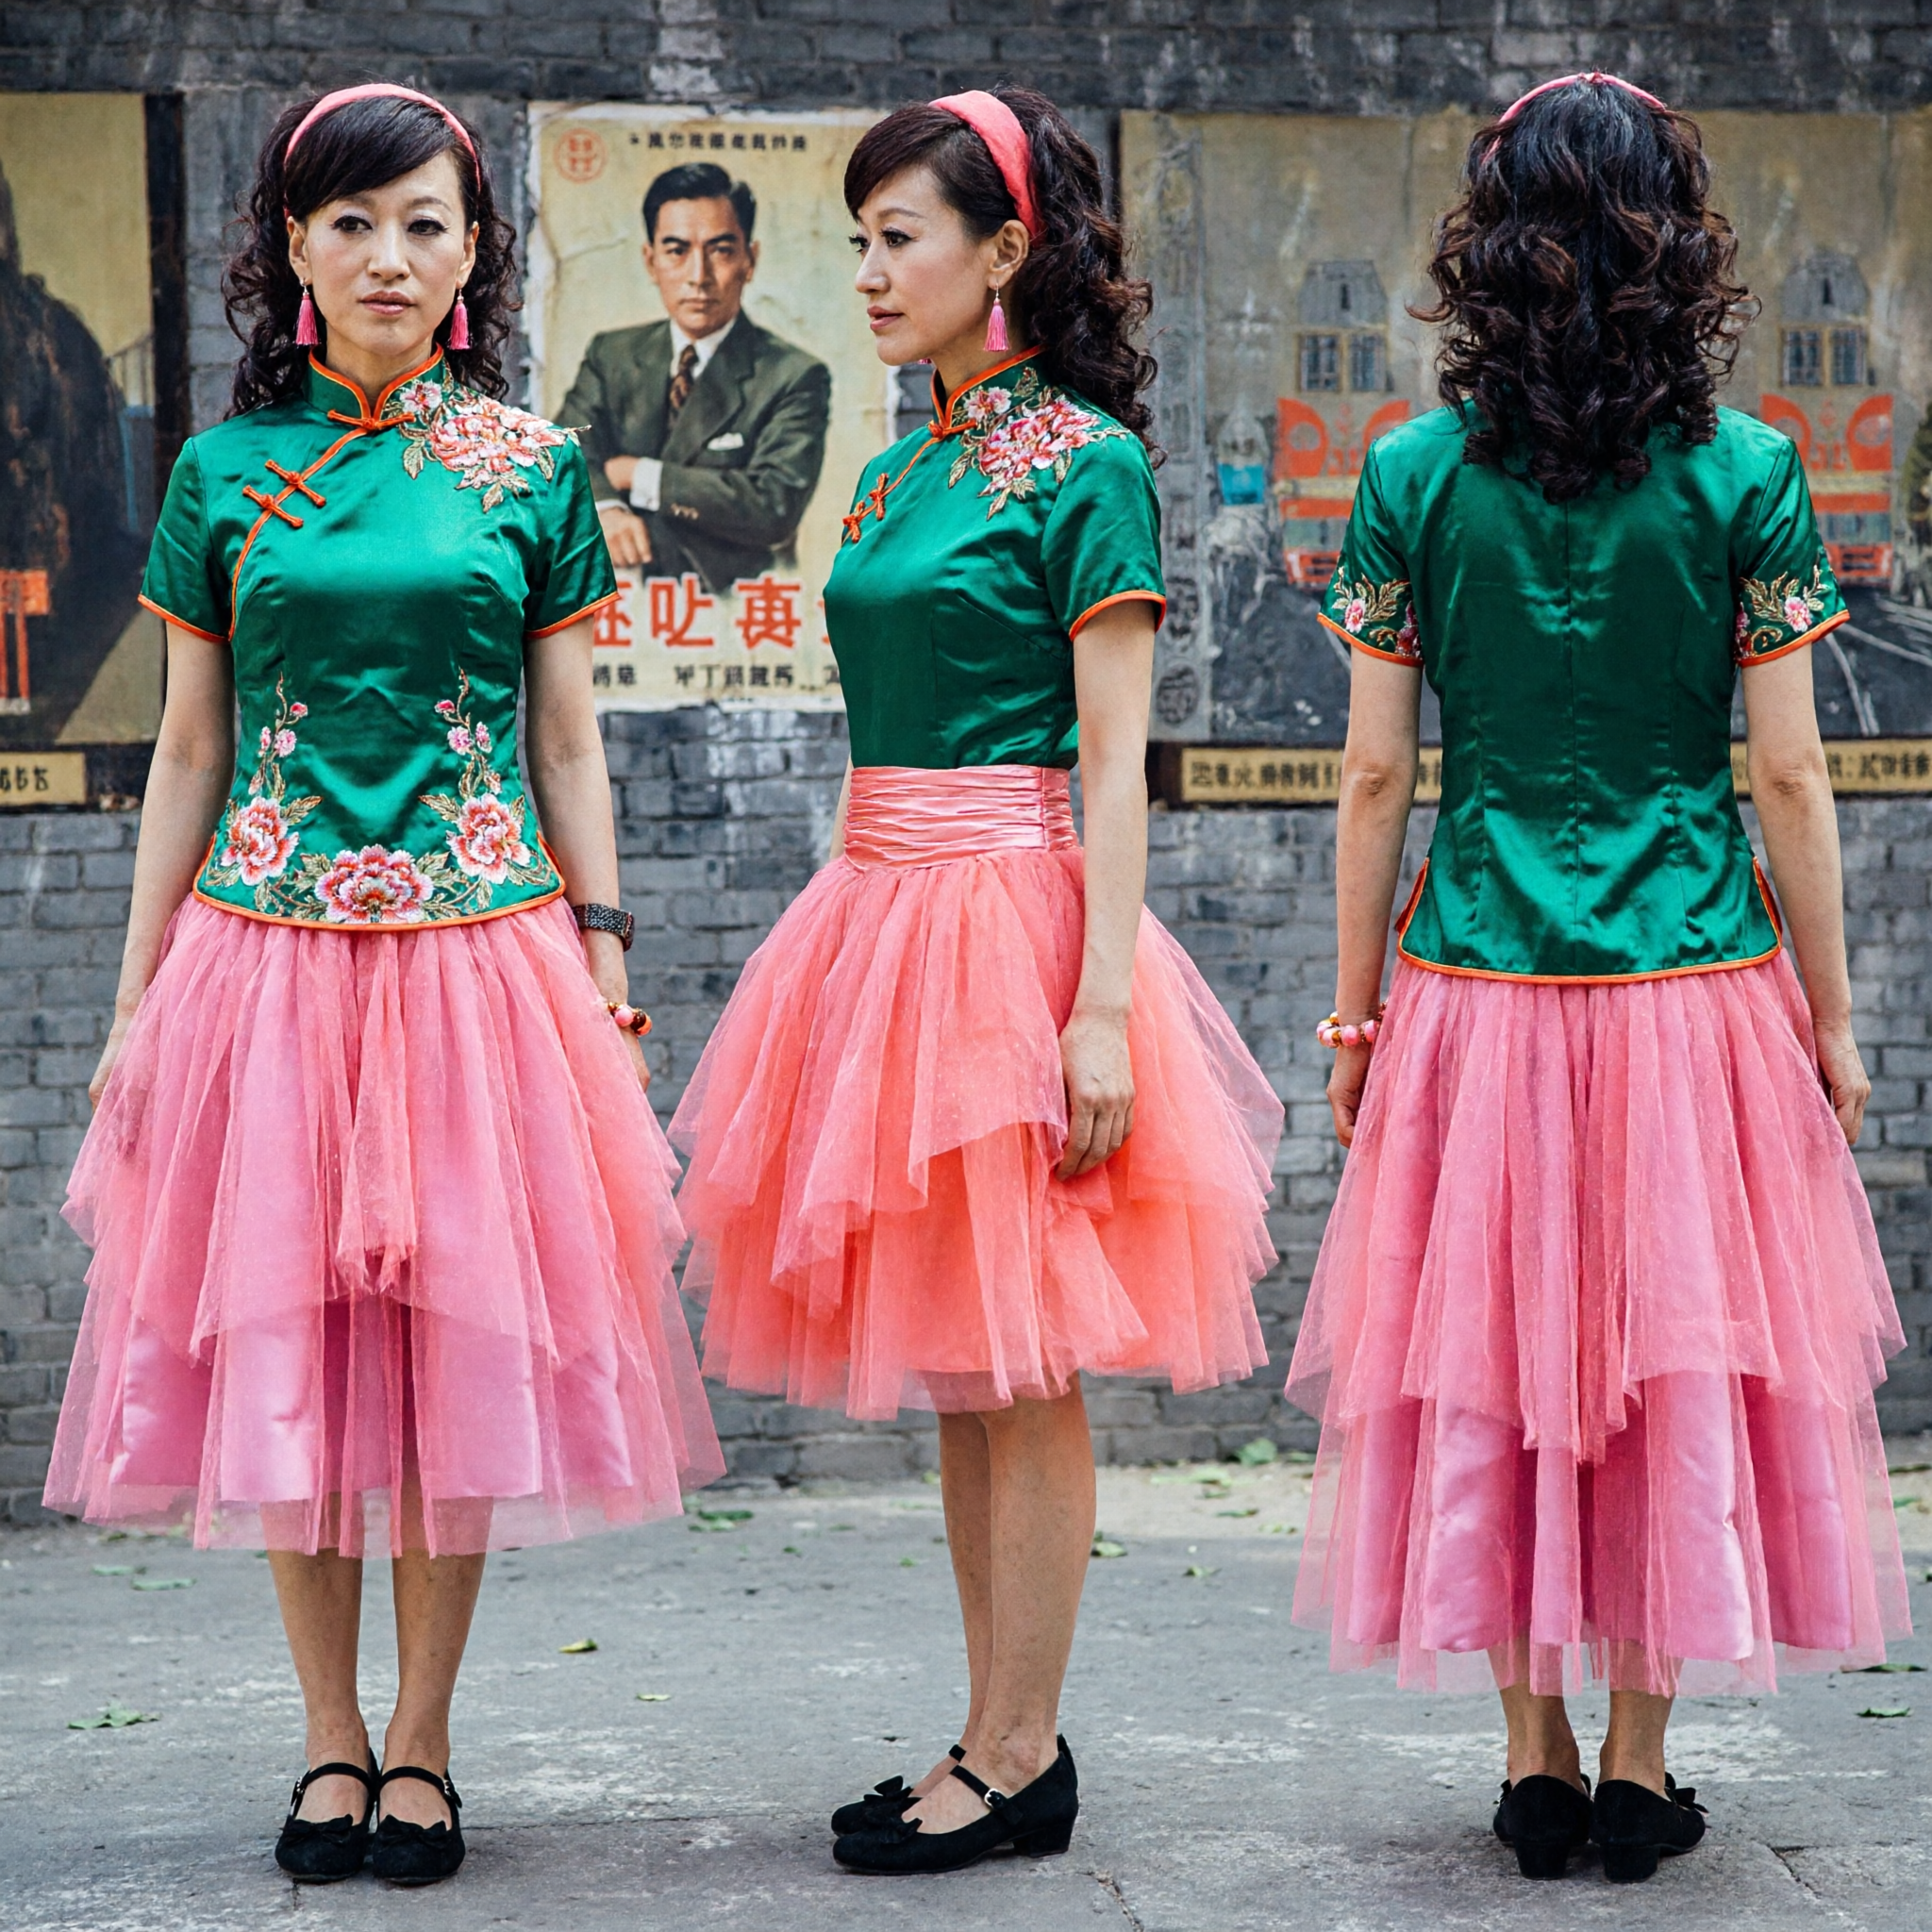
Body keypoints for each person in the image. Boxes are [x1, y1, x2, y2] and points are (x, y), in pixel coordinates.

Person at [42, 86, 722, 1889]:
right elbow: (188, 751)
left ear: (475, 249)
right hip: (259, 960)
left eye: (424, 222)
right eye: (347, 224)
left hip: (474, 958)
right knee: (288, 1349)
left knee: (440, 1366)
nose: (387, 258)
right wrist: (133, 1001)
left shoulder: (529, 467)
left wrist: (598, 949)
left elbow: (565, 739)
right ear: (290, 251)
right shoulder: (219, 474)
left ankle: (422, 1737)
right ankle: (325, 1737)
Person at [1286, 74, 1910, 1887]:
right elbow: (1785, 775)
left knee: (1487, 1364)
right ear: (1675, 241)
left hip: (1474, 977)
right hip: (1690, 978)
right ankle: (1642, 1763)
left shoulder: (1409, 472)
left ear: (1485, 244)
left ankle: (1532, 1755)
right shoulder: (1749, 469)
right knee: (1663, 1365)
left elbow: (1376, 775)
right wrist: (1834, 1014)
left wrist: (1349, 1015)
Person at [671, 88, 1284, 1876]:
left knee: (1026, 1370)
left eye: (897, 238)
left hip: (1014, 925)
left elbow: (1112, 766)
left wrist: (1097, 1005)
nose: (863, 270)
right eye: (856, 239)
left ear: (1003, 252)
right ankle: (987, 1728)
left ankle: (1020, 1751)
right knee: (964, 1363)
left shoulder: (1082, 460)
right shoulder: (893, 464)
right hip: (875, 913)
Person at [561, 161, 831, 591]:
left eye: (721, 250)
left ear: (750, 260)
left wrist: (637, 474)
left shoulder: (793, 375)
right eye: (677, 250)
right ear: (651, 261)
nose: (698, 276)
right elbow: (564, 453)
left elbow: (773, 506)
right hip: (620, 603)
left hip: (732, 607)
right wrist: (608, 506)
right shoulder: (611, 354)